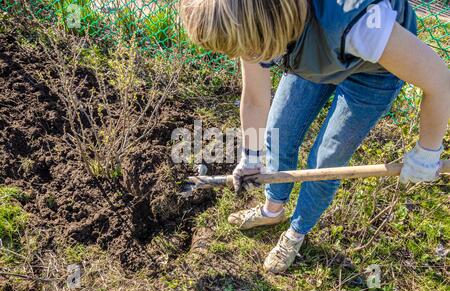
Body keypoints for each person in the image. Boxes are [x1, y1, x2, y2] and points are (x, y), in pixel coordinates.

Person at [180, 0, 450, 273]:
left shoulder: (356, 21)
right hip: (308, 43)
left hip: (373, 70)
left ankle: (296, 232)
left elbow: (440, 80)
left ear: (266, 24)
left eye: (244, 48)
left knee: (326, 161)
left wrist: (427, 152)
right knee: (279, 131)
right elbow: (254, 98)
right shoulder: (249, 14)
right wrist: (251, 157)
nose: (240, 56)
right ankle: (273, 210)